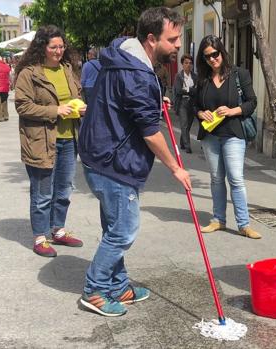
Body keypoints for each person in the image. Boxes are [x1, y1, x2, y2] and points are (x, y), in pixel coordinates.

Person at [78, 7, 191, 317]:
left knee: (114, 225)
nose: (178, 44)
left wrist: (155, 101)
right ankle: (95, 290)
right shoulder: (136, 73)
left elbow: (130, 104)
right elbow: (150, 133)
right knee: (124, 230)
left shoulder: (125, 57)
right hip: (113, 162)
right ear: (152, 39)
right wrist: (175, 168)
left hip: (100, 155)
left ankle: (117, 285)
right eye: (173, 38)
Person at [14, 25, 86, 258]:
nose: (58, 51)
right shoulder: (29, 73)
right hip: (40, 141)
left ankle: (58, 230)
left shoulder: (68, 69)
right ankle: (40, 237)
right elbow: (23, 106)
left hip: (69, 139)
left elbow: (76, 95)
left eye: (61, 46)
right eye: (53, 47)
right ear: (42, 47)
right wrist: (56, 110)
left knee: (64, 189)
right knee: (43, 193)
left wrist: (79, 107)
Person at [194, 35, 261, 239]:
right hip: (211, 136)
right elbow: (195, 105)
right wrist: (200, 113)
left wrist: (233, 111)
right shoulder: (202, 80)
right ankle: (218, 220)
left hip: (233, 134)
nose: (212, 59)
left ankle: (244, 224)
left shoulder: (239, 74)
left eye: (215, 54)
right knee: (216, 178)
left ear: (222, 52)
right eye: (207, 57)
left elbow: (252, 102)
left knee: (236, 178)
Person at [173, 54, 197, 153]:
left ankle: (183, 142)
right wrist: (191, 90)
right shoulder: (178, 76)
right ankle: (188, 146)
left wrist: (187, 89)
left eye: (190, 63)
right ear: (182, 64)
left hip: (192, 103)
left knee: (189, 124)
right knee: (184, 124)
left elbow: (197, 90)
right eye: (186, 63)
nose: (188, 65)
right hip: (182, 102)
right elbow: (178, 90)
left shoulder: (195, 76)